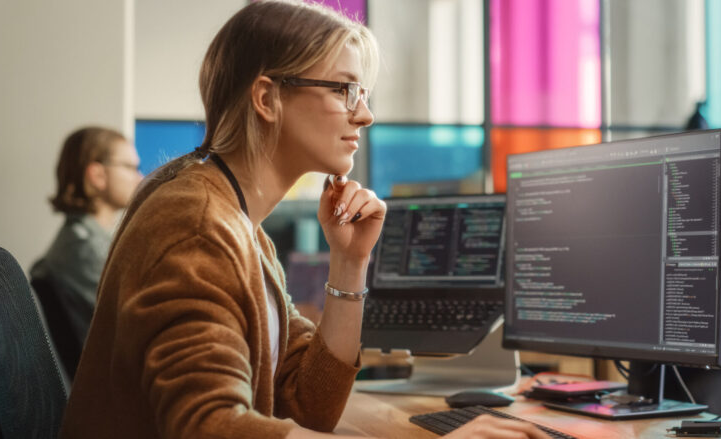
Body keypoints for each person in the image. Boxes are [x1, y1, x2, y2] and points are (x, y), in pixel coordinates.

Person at [60, 2, 548, 438]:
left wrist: (349, 261)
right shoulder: (196, 222)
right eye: (344, 89)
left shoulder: (239, 221)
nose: (366, 115)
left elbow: (310, 404)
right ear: (267, 98)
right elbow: (208, 426)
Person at [31, 126, 142, 378]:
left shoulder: (89, 242)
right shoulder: (83, 250)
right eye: (130, 167)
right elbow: (139, 327)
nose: (140, 177)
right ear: (97, 175)